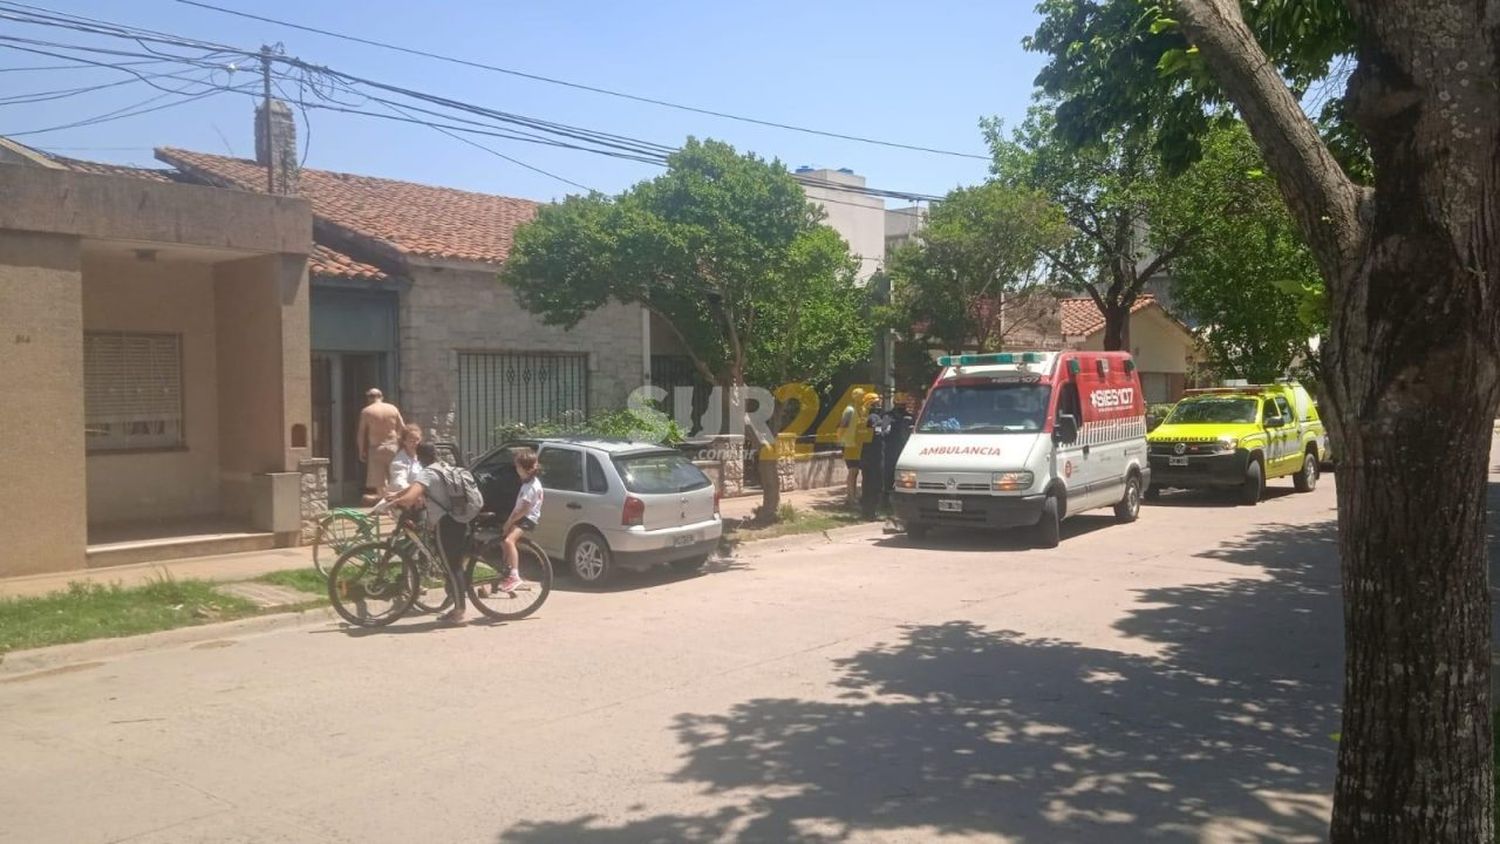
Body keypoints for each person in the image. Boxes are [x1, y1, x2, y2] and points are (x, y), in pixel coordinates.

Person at [383, 444, 469, 623]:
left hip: (447, 524)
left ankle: (459, 612)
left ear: (420, 457)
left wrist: (393, 503)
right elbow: (416, 488)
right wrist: (396, 494)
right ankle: (455, 597)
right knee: (450, 564)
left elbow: (411, 496)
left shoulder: (427, 473)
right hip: (457, 519)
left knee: (453, 567)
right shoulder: (442, 466)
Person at [497, 448, 544, 594]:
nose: (516, 469)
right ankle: (506, 571)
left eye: (517, 466)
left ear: (525, 469)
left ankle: (515, 575)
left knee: (509, 541)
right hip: (522, 516)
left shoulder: (531, 487)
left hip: (527, 519)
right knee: (503, 541)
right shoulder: (528, 482)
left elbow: (523, 509)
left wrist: (509, 522)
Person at [357, 388, 405, 505]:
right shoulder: (392, 408)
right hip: (393, 446)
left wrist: (361, 450)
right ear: (381, 397)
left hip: (376, 447)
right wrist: (400, 442)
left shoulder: (367, 411)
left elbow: (361, 432)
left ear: (369, 398)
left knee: (380, 482)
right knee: (395, 477)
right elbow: (402, 427)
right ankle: (396, 503)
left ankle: (385, 505)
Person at [835, 388, 867, 505]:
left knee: (856, 471)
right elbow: (842, 425)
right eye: (861, 396)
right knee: (853, 470)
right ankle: (850, 497)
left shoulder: (862, 409)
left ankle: (854, 495)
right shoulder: (849, 410)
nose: (863, 398)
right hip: (849, 444)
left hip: (858, 444)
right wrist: (840, 440)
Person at [386, 424, 424, 496]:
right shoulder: (398, 462)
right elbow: (399, 484)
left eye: (417, 440)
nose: (416, 443)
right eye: (412, 441)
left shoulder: (424, 457)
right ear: (404, 441)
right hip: (407, 499)